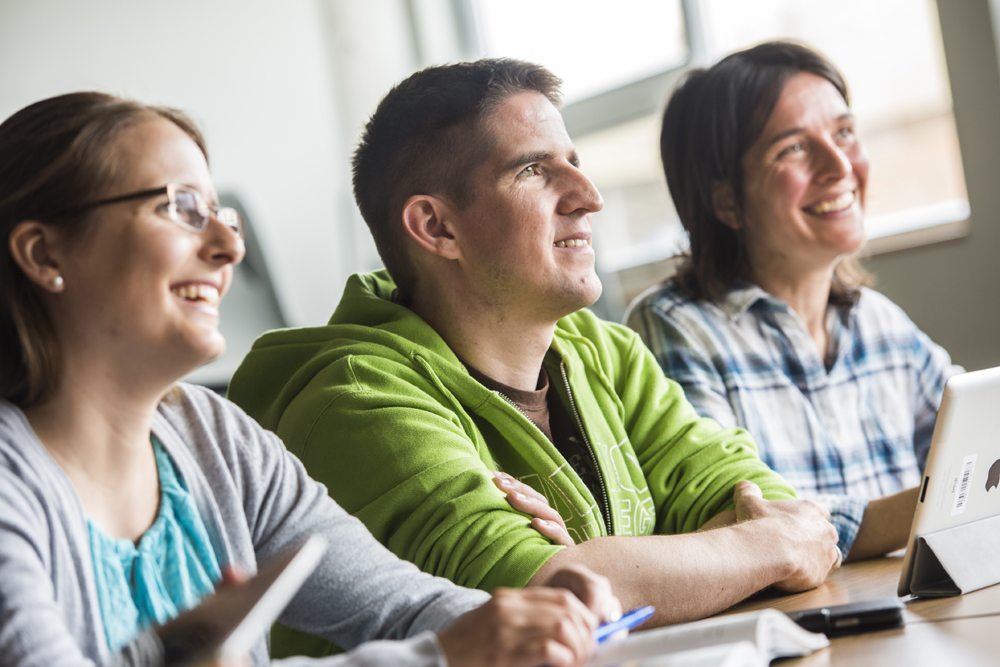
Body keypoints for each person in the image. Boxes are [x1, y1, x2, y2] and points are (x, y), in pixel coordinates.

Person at [228, 57, 840, 646]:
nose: (589, 195)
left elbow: (770, 508)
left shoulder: (606, 353)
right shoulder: (354, 398)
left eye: (574, 162)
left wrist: (599, 561)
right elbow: (532, 602)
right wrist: (732, 555)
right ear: (437, 227)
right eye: (533, 171)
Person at [0, 91, 622, 667]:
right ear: (44, 253)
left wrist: (529, 617)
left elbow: (400, 607)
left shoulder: (215, 439)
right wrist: (440, 657)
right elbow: (432, 648)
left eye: (225, 216)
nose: (228, 247)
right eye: (182, 209)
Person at [625, 41, 962, 563]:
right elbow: (751, 522)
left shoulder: (880, 323)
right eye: (793, 149)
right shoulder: (673, 327)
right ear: (726, 201)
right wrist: (929, 506)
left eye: (845, 133)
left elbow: (971, 442)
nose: (839, 165)